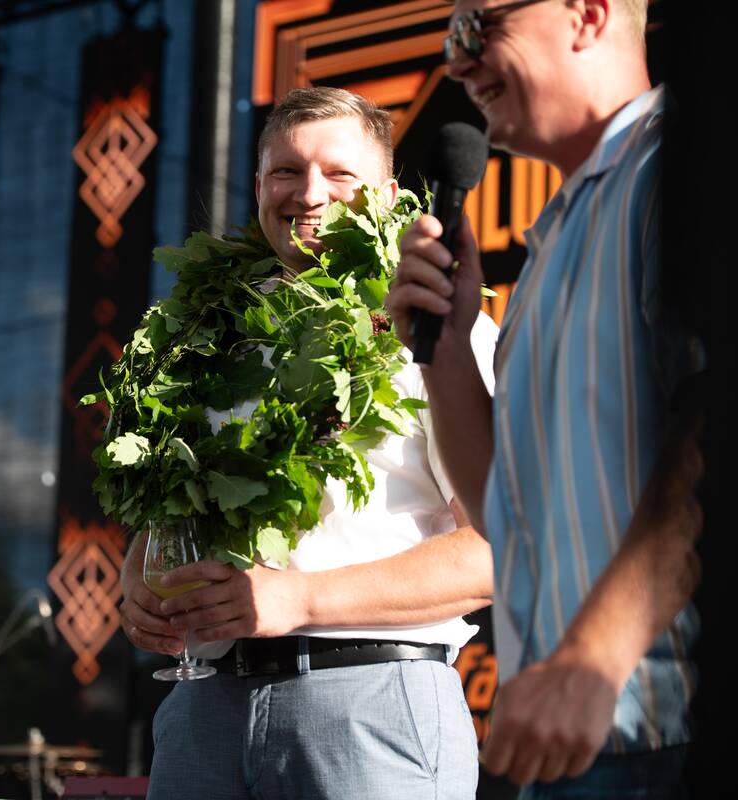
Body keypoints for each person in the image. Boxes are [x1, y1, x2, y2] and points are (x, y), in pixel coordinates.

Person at [119, 87, 499, 799]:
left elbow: (495, 552)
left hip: (369, 702)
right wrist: (137, 579)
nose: (310, 194)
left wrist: (299, 600)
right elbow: (169, 516)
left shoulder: (440, 325)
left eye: (340, 173)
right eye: (286, 172)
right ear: (260, 186)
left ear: (389, 196)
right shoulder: (205, 335)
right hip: (202, 709)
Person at [385, 1, 703, 796]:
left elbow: (718, 440)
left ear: (587, 14)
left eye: (476, 28)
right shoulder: (555, 233)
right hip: (565, 745)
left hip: (662, 734)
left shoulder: (678, 171)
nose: (456, 63)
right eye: (450, 38)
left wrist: (595, 656)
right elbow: (506, 512)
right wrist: (446, 351)